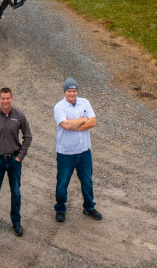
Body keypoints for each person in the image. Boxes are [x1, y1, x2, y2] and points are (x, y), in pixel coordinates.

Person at [0, 87, 32, 238]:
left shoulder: (19, 116)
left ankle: (16, 223)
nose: (5, 101)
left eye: (8, 98)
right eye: (2, 98)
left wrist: (20, 157)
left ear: (12, 99)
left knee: (16, 193)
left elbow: (28, 137)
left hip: (14, 161)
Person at [53, 77, 102, 222]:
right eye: (69, 91)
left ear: (77, 91)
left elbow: (93, 122)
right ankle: (60, 209)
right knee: (62, 183)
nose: (72, 94)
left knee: (87, 181)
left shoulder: (85, 102)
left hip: (84, 152)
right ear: (65, 92)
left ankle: (89, 207)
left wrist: (74, 124)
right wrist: (82, 119)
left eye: (74, 91)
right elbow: (66, 126)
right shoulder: (59, 107)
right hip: (66, 153)